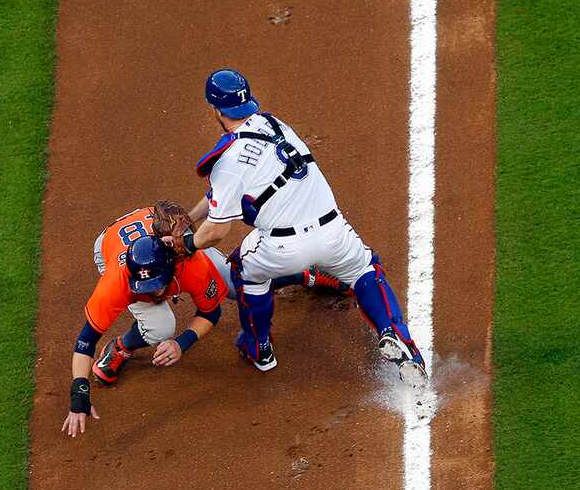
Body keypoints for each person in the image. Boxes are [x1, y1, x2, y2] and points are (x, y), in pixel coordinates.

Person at [165, 69, 427, 385]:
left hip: (282, 249)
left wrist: (187, 243)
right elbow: (222, 194)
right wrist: (191, 217)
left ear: (216, 109)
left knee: (243, 271)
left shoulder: (228, 160)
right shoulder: (275, 125)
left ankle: (258, 349)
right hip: (334, 233)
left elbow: (217, 230)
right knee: (366, 271)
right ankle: (399, 340)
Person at [62, 203, 347, 437]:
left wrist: (182, 345)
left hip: (161, 238)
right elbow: (85, 341)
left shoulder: (191, 263)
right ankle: (121, 347)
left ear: (173, 265)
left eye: (159, 285)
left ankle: (305, 274)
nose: (155, 293)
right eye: (146, 289)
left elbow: (212, 312)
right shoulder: (118, 281)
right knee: (161, 327)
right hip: (110, 245)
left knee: (237, 285)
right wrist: (79, 393)